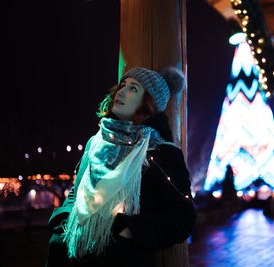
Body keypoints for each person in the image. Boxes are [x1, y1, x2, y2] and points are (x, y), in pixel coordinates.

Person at [45, 66, 196, 267]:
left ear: (148, 103)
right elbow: (77, 192)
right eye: (122, 86)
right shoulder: (96, 143)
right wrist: (63, 220)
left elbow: (184, 218)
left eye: (133, 89)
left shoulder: (161, 153)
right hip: (70, 257)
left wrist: (130, 230)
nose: (122, 92)